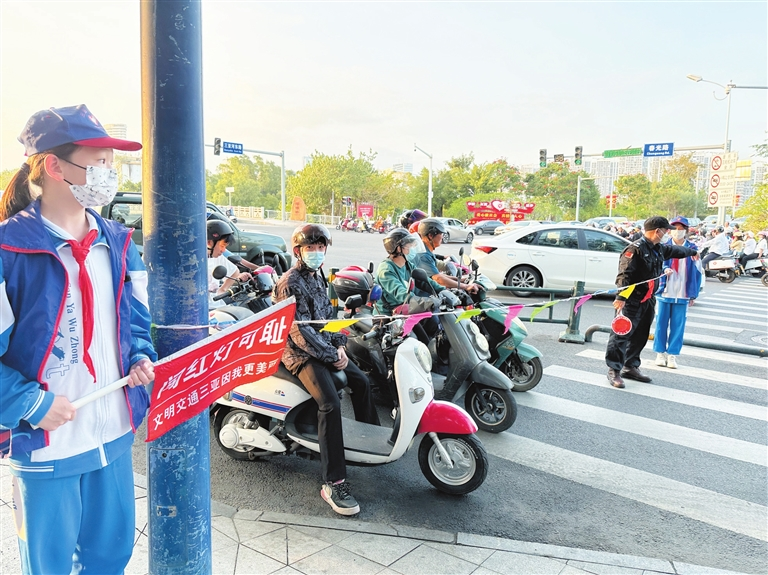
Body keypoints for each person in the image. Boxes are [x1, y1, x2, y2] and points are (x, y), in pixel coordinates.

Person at [0, 104, 156, 574]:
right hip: (48, 444)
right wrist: (29, 403)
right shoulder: (8, 250)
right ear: (54, 166)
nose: (109, 174)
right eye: (100, 161)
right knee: (47, 566)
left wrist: (139, 357)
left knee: (111, 558)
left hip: (113, 436)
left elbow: (135, 322)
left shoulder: (119, 243)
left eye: (112, 163)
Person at [273, 224, 380, 516]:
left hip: (324, 348)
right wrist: (332, 355)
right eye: (311, 248)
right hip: (298, 354)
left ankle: (368, 442)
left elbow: (325, 319)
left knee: (362, 381)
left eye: (321, 248)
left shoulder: (317, 276)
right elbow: (300, 332)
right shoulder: (290, 282)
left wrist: (340, 346)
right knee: (330, 403)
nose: (317, 252)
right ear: (298, 251)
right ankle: (334, 482)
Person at [605, 216, 697, 388]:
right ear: (657, 231)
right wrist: (621, 298)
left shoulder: (658, 248)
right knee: (621, 335)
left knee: (641, 334)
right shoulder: (635, 249)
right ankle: (614, 370)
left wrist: (693, 252)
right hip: (632, 300)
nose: (668, 233)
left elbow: (676, 251)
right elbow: (624, 276)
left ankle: (630, 366)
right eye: (666, 230)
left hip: (648, 299)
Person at [374, 228, 444, 342]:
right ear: (398, 249)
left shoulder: (408, 265)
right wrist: (425, 302)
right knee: (417, 342)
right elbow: (401, 293)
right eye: (409, 246)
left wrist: (444, 291)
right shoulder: (386, 270)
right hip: (389, 317)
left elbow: (425, 281)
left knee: (435, 324)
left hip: (408, 311)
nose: (412, 249)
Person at [652, 217, 703, 369]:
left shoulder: (692, 248)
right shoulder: (663, 246)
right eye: (675, 228)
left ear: (686, 231)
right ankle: (660, 353)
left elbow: (697, 272)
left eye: (681, 229)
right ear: (670, 231)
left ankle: (672, 355)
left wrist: (693, 294)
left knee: (678, 326)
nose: (678, 231)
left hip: (682, 292)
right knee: (660, 324)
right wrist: (664, 269)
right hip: (665, 291)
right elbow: (655, 265)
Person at [413, 218, 479, 296]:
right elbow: (438, 279)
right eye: (441, 234)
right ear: (430, 236)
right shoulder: (423, 255)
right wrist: (466, 286)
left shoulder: (426, 251)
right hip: (423, 297)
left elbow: (436, 275)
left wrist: (459, 280)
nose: (442, 237)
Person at [206, 219, 252, 308]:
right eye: (222, 246)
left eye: (225, 247)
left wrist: (223, 289)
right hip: (204, 309)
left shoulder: (217, 257)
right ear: (209, 242)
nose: (223, 250)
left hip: (216, 304)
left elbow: (235, 271)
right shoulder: (195, 261)